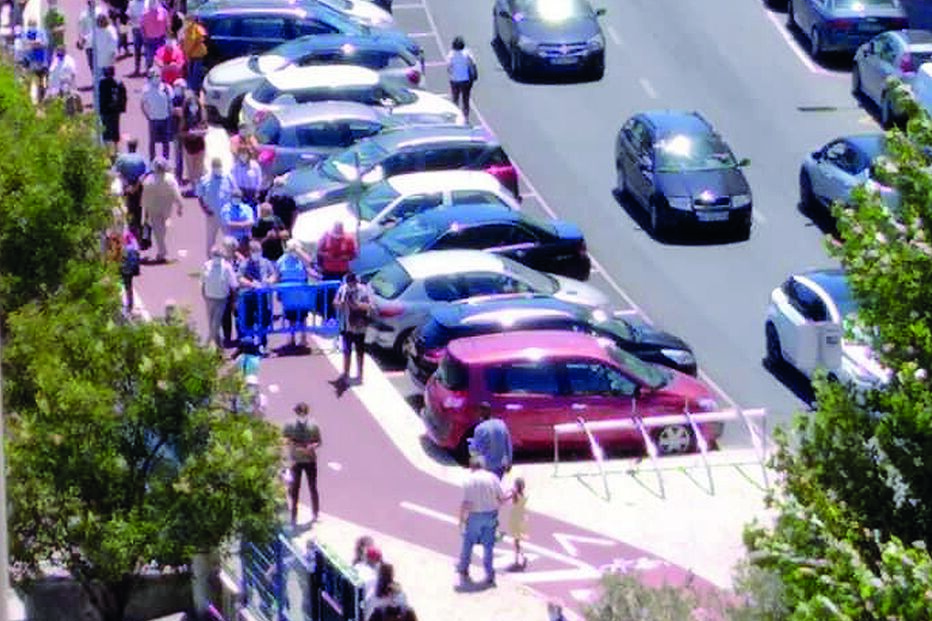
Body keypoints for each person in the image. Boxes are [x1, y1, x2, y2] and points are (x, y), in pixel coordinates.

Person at [457, 455, 507, 587]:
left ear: (471, 466)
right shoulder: (492, 477)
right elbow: (501, 498)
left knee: (468, 542)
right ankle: (489, 574)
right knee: (488, 546)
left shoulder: (468, 480)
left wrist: (461, 520)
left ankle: (464, 568)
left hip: (474, 515)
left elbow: (466, 503)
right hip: (490, 514)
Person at [282, 402, 321, 528]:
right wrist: (295, 446)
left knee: (313, 487)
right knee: (295, 490)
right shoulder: (290, 425)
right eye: (300, 413)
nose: (302, 415)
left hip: (310, 460)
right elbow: (284, 439)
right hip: (296, 461)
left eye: (304, 413)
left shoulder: (313, 425)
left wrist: (312, 447)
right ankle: (293, 518)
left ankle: (315, 513)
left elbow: (319, 441)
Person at [140, 156, 184, 263]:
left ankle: (162, 251)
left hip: (153, 207)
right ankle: (162, 252)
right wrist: (180, 206)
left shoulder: (149, 180)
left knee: (157, 230)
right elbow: (176, 193)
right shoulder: (170, 179)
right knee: (162, 229)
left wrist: (144, 210)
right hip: (166, 207)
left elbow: (144, 197)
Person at [237, 240, 277, 352]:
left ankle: (263, 343)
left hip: (262, 295)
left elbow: (274, 274)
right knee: (248, 320)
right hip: (249, 295)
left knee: (263, 319)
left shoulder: (266, 262)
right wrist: (250, 283)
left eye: (259, 251)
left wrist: (269, 281)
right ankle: (249, 344)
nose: (257, 254)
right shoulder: (244, 263)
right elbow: (239, 277)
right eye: (254, 251)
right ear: (250, 252)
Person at [334, 272, 372, 386]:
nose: (351, 286)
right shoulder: (342, 289)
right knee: (347, 350)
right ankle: (345, 373)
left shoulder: (363, 290)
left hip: (359, 326)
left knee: (359, 351)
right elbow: (335, 302)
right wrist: (340, 304)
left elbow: (368, 306)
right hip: (346, 326)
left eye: (353, 283)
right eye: (349, 284)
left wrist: (356, 305)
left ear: (356, 281)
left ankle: (360, 374)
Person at [196, 157, 238, 256]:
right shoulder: (205, 179)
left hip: (226, 214)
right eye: (216, 167)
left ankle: (230, 259)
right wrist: (205, 209)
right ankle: (210, 261)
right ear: (212, 167)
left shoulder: (228, 177)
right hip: (212, 214)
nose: (218, 169)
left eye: (219, 167)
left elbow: (235, 192)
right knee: (210, 239)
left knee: (229, 239)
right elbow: (199, 196)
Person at [276, 239, 313, 348]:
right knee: (290, 317)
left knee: (303, 317)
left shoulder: (302, 259)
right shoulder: (282, 260)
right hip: (288, 294)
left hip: (301, 293)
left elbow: (309, 263)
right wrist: (278, 291)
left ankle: (303, 338)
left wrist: (298, 252)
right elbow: (278, 275)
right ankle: (291, 338)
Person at [201, 244, 238, 348]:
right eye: (214, 254)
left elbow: (234, 284)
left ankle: (208, 344)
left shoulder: (227, 267)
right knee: (211, 322)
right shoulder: (206, 265)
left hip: (221, 299)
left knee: (215, 323)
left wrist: (234, 300)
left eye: (218, 254)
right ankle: (218, 346)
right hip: (209, 298)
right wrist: (204, 295)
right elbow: (203, 281)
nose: (216, 256)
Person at [114, 138, 148, 241]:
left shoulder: (121, 158)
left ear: (128, 147)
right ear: (136, 146)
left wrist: (126, 184)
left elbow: (117, 172)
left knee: (128, 206)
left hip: (126, 185)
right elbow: (145, 174)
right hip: (138, 186)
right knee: (138, 207)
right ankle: (138, 228)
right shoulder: (142, 158)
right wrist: (136, 185)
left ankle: (131, 229)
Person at [469, 402, 513, 480]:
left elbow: (476, 451)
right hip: (500, 466)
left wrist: (471, 445)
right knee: (496, 484)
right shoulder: (501, 424)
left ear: (480, 414)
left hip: (487, 468)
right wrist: (509, 462)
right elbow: (508, 444)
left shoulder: (479, 429)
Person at [141, 68, 173, 162]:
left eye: (157, 75)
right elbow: (142, 104)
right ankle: (152, 161)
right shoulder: (146, 89)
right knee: (152, 141)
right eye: (153, 76)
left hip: (165, 118)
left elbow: (170, 102)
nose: (156, 78)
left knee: (166, 141)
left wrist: (170, 114)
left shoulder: (166, 88)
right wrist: (147, 116)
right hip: (153, 119)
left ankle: (166, 161)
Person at [179, 88, 206, 194]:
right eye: (191, 105)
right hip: (189, 147)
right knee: (191, 170)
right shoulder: (185, 119)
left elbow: (205, 128)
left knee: (199, 169)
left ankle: (198, 189)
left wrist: (201, 132)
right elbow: (182, 132)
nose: (194, 108)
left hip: (200, 146)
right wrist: (190, 134)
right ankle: (193, 188)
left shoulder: (201, 117)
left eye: (195, 105)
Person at [446, 36, 477, 122]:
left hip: (455, 80)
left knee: (455, 99)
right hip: (465, 80)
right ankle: (466, 118)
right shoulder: (467, 53)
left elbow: (449, 69)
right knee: (465, 100)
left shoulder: (451, 55)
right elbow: (472, 65)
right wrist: (473, 75)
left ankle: (455, 117)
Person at [98, 66, 128, 156]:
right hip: (115, 111)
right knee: (115, 129)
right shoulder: (118, 83)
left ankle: (108, 152)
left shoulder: (102, 83)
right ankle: (116, 151)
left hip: (106, 111)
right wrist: (122, 108)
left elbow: (100, 97)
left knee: (106, 131)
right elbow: (124, 97)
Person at [18, 19, 50, 100]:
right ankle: (27, 99)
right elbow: (24, 44)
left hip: (39, 61)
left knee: (41, 81)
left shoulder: (41, 32)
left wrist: (33, 44)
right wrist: (35, 43)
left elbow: (45, 43)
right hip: (29, 60)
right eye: (31, 24)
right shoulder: (25, 33)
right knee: (27, 81)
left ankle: (40, 99)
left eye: (33, 24)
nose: (32, 26)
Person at [221, 235, 244, 345]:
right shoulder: (221, 259)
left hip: (237, 289)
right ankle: (227, 337)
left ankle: (241, 336)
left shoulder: (240, 259)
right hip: (225, 289)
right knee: (225, 314)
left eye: (230, 247)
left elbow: (242, 272)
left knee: (238, 312)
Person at [180, 16, 207, 92]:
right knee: (192, 71)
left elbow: (193, 41)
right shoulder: (188, 29)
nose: (185, 23)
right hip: (193, 54)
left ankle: (194, 88)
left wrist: (188, 52)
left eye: (187, 21)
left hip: (196, 54)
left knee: (194, 72)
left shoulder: (194, 29)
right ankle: (193, 87)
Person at [141, 0, 169, 72]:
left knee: (150, 57)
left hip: (151, 38)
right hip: (160, 38)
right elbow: (167, 25)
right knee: (161, 57)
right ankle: (161, 72)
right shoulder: (164, 12)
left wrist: (144, 37)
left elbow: (142, 27)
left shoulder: (145, 14)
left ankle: (150, 72)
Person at [77, 0, 104, 75]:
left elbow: (105, 26)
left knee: (99, 64)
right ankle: (97, 78)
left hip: (98, 42)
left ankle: (99, 78)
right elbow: (81, 30)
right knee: (93, 64)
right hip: (90, 43)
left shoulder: (100, 12)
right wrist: (81, 42)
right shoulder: (84, 15)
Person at [507, 477, 528, 570]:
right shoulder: (522, 494)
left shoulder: (515, 493)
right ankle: (521, 558)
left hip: (516, 519)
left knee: (516, 542)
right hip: (521, 518)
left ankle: (517, 561)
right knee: (517, 541)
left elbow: (505, 498)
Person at [92, 13, 119, 82]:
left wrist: (112, 53)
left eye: (101, 21)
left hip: (108, 57)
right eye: (99, 21)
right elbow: (90, 37)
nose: (100, 23)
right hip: (99, 57)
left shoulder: (110, 30)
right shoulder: (96, 29)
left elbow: (114, 41)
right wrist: (84, 40)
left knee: (109, 76)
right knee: (100, 76)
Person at [120, 228, 142, 314]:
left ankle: (126, 305)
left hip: (123, 269)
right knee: (129, 287)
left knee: (124, 287)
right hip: (130, 270)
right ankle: (130, 305)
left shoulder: (122, 246)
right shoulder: (132, 244)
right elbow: (137, 250)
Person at [169, 77, 187, 180]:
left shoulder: (186, 99)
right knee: (178, 153)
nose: (179, 89)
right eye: (177, 87)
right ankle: (178, 173)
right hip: (176, 130)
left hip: (185, 130)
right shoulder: (173, 99)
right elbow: (171, 110)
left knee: (185, 153)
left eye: (181, 87)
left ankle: (184, 173)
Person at [127, 0, 146, 75]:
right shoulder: (132, 3)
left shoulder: (147, 2)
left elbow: (129, 16)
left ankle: (143, 69)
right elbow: (129, 15)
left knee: (142, 50)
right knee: (139, 50)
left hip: (143, 29)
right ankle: (139, 69)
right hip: (138, 29)